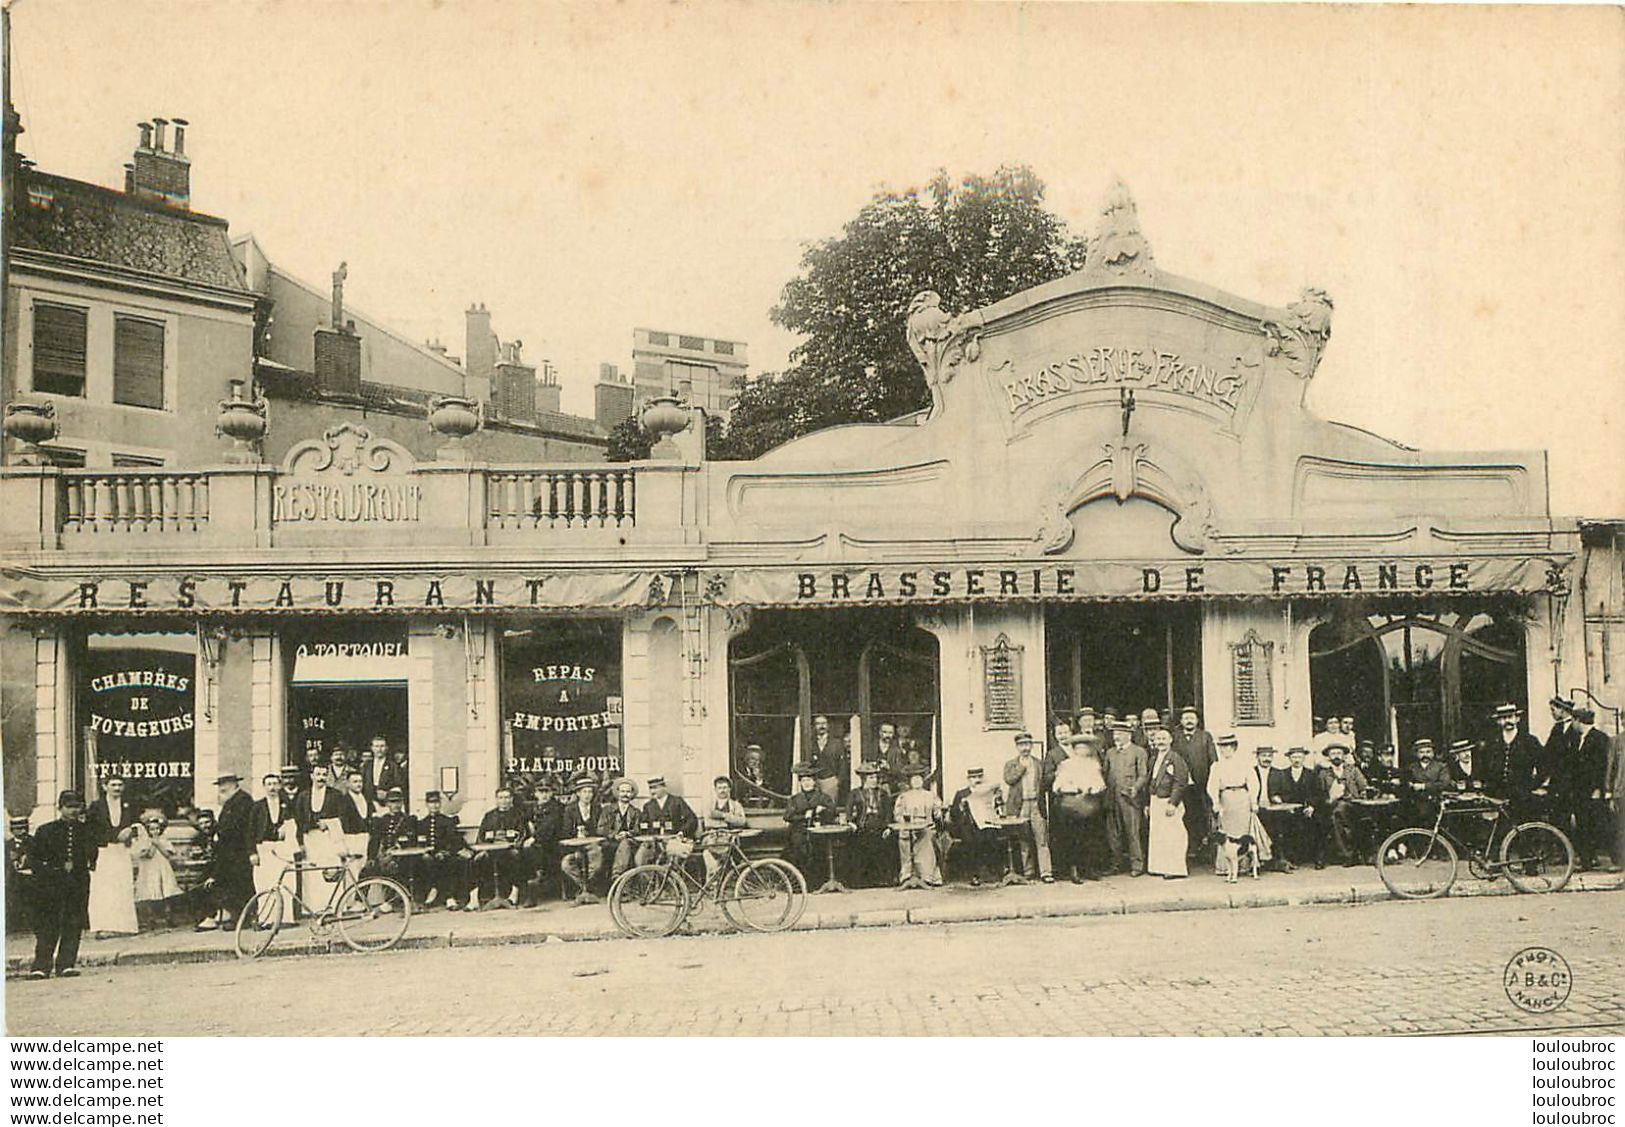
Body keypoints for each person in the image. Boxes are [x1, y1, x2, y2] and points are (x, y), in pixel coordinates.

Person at [26, 791, 95, 980]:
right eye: (69, 807)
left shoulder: (86, 830)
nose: (73, 811)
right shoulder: (45, 830)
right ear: (60, 808)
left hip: (78, 882)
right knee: (49, 923)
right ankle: (41, 966)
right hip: (51, 884)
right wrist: (52, 870)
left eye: (77, 806)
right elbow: (35, 859)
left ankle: (66, 964)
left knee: (73, 922)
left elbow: (92, 854)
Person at [1051, 733, 1109, 881]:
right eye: (1080, 748)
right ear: (1075, 750)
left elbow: (1100, 783)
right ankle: (1074, 870)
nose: (1083, 751)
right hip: (1071, 805)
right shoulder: (1067, 765)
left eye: (1086, 748)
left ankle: (1089, 869)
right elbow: (1057, 786)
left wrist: (1092, 789)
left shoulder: (1094, 764)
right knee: (1073, 838)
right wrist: (1073, 789)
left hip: (1090, 804)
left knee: (1090, 838)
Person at [85, 777, 138, 936]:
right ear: (104, 787)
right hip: (104, 851)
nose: (117, 788)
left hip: (122, 851)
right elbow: (91, 830)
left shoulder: (129, 805)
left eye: (120, 785)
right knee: (104, 889)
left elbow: (137, 824)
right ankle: (103, 926)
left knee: (123, 886)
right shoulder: (96, 806)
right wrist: (115, 836)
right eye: (113, 785)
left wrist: (131, 831)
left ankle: (124, 926)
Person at [1562, 707, 1612, 871]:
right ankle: (1587, 860)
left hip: (1592, 791)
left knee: (1595, 825)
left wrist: (1598, 789)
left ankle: (1607, 858)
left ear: (1578, 721)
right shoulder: (1578, 739)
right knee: (1583, 825)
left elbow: (1602, 766)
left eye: (1573, 721)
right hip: (1579, 791)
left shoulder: (1599, 738)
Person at [1480, 703, 1548, 821]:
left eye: (1510, 717)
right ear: (1498, 721)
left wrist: (1532, 786)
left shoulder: (1529, 741)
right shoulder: (1492, 743)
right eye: (1503, 718)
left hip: (1522, 797)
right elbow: (1485, 768)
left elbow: (1544, 766)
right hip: (1498, 796)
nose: (1507, 721)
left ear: (1517, 719)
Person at [1207, 733, 1260, 883]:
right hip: (1226, 800)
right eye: (1222, 747)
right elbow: (1212, 786)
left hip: (1242, 799)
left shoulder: (1244, 764)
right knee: (1226, 834)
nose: (1224, 750)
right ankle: (1225, 867)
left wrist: (1253, 801)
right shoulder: (1217, 766)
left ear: (1234, 747)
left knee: (1243, 832)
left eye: (1227, 747)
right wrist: (1215, 802)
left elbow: (1253, 783)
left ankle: (1245, 865)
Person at [1002, 731, 1054, 883]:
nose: (1025, 748)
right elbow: (1009, 780)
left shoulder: (1039, 763)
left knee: (1042, 838)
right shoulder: (1011, 764)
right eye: (1021, 745)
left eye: (1027, 744)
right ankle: (1028, 872)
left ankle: (1046, 872)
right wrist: (1022, 768)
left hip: (1036, 804)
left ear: (1031, 746)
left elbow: (1044, 783)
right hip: (1021, 805)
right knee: (1024, 840)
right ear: (1017, 747)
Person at [1171, 706, 1218, 865]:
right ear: (1181, 721)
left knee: (1202, 816)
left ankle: (1203, 851)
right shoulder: (1175, 737)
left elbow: (1213, 762)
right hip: (1182, 786)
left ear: (1197, 721)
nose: (1189, 720)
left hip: (1201, 786)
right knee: (1184, 818)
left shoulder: (1205, 737)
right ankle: (1187, 851)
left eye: (1192, 717)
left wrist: (1212, 783)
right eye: (1186, 718)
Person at [1101, 720, 1148, 877]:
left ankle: (1137, 865)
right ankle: (1116, 864)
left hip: (1130, 798)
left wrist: (1135, 788)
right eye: (1115, 734)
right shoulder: (1110, 753)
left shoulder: (1139, 752)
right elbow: (1105, 774)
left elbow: (1143, 775)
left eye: (1120, 734)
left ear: (1128, 735)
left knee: (1133, 832)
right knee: (1113, 833)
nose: (1117, 737)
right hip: (1112, 798)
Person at [1268, 746, 1327, 868]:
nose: (1297, 760)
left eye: (1299, 757)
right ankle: (1291, 858)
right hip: (1287, 809)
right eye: (1294, 757)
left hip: (1306, 809)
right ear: (1289, 758)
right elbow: (1274, 793)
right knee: (1284, 825)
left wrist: (1311, 806)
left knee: (1319, 823)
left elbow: (1319, 794)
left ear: (1304, 758)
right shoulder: (1282, 774)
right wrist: (1281, 803)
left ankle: (1319, 858)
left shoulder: (1311, 774)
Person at [471, 786, 528, 910]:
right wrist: (483, 848)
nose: (504, 800)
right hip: (491, 851)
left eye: (507, 797)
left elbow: (523, 834)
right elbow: (481, 836)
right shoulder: (489, 816)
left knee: (516, 857)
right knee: (476, 860)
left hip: (509, 850)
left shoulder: (518, 815)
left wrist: (514, 845)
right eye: (501, 798)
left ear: (511, 799)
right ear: (496, 800)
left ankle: (514, 895)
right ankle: (474, 898)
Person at [1145, 724, 1190, 879]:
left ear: (1170, 740)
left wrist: (1173, 802)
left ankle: (1175, 869)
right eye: (1158, 739)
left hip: (1169, 802)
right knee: (1158, 835)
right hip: (1156, 800)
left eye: (1164, 738)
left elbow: (1180, 782)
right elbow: (1150, 781)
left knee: (1174, 835)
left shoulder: (1176, 759)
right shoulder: (1153, 759)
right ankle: (1159, 866)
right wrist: (1147, 803)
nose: (1161, 741)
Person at [416, 791, 472, 910]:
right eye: (431, 803)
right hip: (428, 855)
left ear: (440, 804)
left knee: (446, 862)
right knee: (426, 861)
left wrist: (461, 850)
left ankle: (445, 895)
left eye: (437, 802)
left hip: (445, 854)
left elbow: (455, 840)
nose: (434, 806)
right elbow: (419, 842)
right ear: (426, 804)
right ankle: (442, 895)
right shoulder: (421, 824)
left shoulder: (447, 821)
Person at [949, 767, 1002, 885]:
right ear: (968, 779)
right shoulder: (962, 793)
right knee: (972, 839)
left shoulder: (988, 792)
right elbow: (953, 814)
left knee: (991, 835)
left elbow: (997, 809)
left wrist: (997, 799)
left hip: (986, 823)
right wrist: (961, 808)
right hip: (968, 825)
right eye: (974, 778)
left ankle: (989, 871)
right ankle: (974, 874)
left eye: (979, 777)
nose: (977, 780)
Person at [130, 808, 182, 929]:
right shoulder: (144, 841)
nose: (155, 831)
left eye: (157, 829)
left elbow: (168, 854)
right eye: (152, 829)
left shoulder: (163, 840)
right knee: (150, 890)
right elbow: (147, 855)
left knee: (166, 890)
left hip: (162, 867)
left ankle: (169, 916)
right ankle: (150, 918)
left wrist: (158, 843)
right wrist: (151, 844)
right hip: (149, 869)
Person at [893, 771, 945, 888]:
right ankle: (907, 875)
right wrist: (903, 821)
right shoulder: (904, 796)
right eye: (914, 779)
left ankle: (927, 876)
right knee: (905, 840)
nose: (916, 781)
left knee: (926, 840)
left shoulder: (930, 795)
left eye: (919, 779)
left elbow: (937, 811)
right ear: (910, 782)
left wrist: (938, 813)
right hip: (908, 826)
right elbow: (897, 814)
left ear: (923, 781)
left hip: (926, 825)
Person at [1323, 745, 1372, 865]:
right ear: (1328, 757)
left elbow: (1363, 786)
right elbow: (1320, 793)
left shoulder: (1353, 770)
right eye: (1333, 753)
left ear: (1344, 756)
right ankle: (1347, 855)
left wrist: (1363, 794)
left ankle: (1370, 854)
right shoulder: (1324, 773)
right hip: (1333, 805)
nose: (1336, 756)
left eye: (1339, 753)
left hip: (1355, 804)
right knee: (1338, 814)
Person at [783, 764, 835, 876]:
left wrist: (823, 811)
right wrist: (803, 816)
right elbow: (787, 816)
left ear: (814, 782)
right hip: (799, 832)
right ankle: (799, 882)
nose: (806, 783)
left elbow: (833, 813)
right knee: (797, 847)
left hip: (818, 832)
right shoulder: (795, 799)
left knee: (819, 849)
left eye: (809, 780)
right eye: (803, 781)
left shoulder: (823, 797)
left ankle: (817, 881)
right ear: (800, 783)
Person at [847, 762, 894, 887]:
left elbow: (888, 813)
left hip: (880, 827)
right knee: (860, 849)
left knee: (881, 848)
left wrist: (888, 827)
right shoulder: (855, 793)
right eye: (871, 778)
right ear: (864, 779)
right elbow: (849, 811)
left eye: (876, 778)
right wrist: (851, 822)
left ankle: (881, 880)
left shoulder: (883, 793)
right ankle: (861, 881)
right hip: (862, 827)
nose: (874, 780)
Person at [561, 775, 605, 903]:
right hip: (575, 846)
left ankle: (588, 888)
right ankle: (584, 888)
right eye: (584, 792)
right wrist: (576, 835)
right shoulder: (570, 809)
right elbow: (566, 831)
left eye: (590, 792)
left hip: (593, 845)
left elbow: (601, 829)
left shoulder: (597, 808)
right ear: (578, 793)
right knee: (566, 864)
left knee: (596, 861)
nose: (587, 795)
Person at [701, 775, 750, 882]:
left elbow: (741, 821)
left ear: (729, 789)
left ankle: (724, 882)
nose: (722, 791)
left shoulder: (735, 805)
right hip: (712, 837)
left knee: (727, 852)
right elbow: (708, 821)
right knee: (708, 856)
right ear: (715, 790)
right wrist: (727, 820)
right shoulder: (709, 805)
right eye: (719, 788)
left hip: (729, 837)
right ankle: (713, 884)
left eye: (725, 788)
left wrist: (723, 816)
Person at [596, 779, 645, 882]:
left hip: (629, 842)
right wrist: (614, 835)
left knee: (626, 844)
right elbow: (600, 829)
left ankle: (617, 876)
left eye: (628, 792)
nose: (625, 794)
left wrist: (627, 833)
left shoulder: (636, 812)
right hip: (610, 842)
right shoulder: (607, 810)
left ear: (632, 794)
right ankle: (618, 880)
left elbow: (638, 829)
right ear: (617, 793)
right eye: (622, 791)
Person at [369, 788, 418, 888]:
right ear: (387, 804)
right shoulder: (381, 821)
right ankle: (359, 901)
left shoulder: (409, 820)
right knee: (366, 871)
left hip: (402, 857)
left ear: (402, 803)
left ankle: (394, 902)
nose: (396, 805)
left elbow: (412, 841)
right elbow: (375, 840)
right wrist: (371, 857)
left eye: (398, 802)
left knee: (399, 870)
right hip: (384, 856)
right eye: (392, 802)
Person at [1403, 738, 1454, 825]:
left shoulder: (1441, 767)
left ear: (1433, 753)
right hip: (1416, 805)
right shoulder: (1411, 768)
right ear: (1416, 754)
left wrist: (1424, 786)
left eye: (1428, 752)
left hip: (1435, 804)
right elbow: (1406, 783)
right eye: (1421, 752)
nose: (1425, 755)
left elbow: (1445, 784)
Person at [811, 715, 849, 802]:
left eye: (824, 723)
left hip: (830, 780)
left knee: (829, 806)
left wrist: (838, 781)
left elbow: (843, 764)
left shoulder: (836, 743)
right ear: (814, 726)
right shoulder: (811, 742)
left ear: (828, 725)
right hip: (814, 781)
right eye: (818, 724)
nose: (821, 726)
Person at [7, 815, 35, 933]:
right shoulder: (7, 845)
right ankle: (15, 924)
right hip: (14, 878)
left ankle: (30, 924)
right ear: (12, 830)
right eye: (18, 829)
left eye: (24, 828)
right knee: (14, 900)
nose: (22, 831)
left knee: (31, 901)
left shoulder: (33, 842)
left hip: (30, 877)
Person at [376, 740, 410, 805]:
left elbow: (400, 784)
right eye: (376, 746)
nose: (379, 749)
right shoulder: (367, 766)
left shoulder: (396, 766)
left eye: (382, 746)